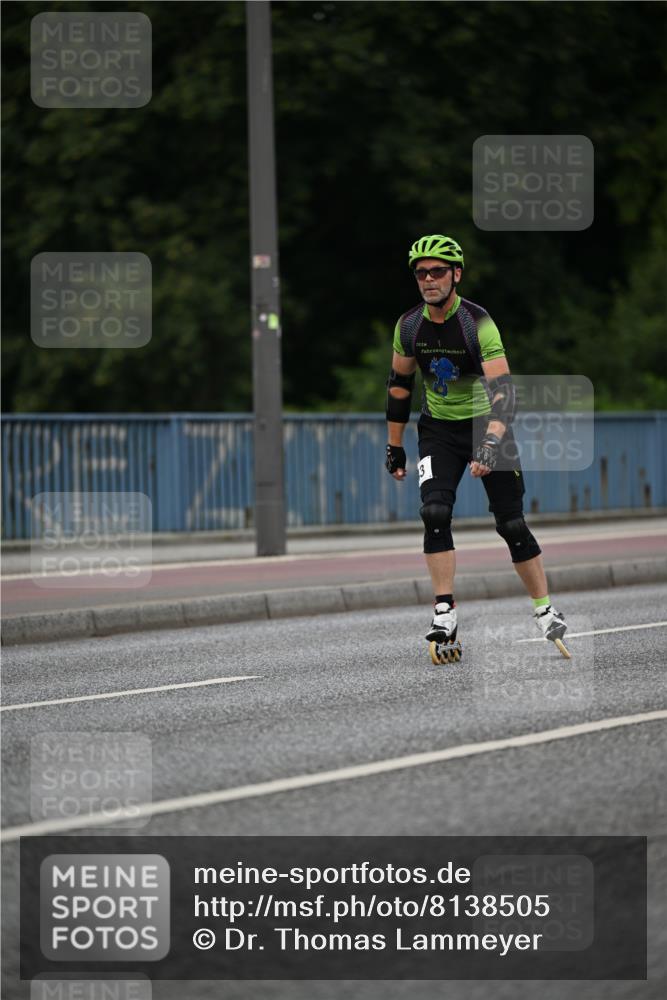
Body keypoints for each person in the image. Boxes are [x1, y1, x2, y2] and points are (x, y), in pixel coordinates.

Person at [385, 234, 568, 655]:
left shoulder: (477, 323)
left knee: (511, 523)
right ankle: (444, 611)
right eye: (421, 273)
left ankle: (544, 610)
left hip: (488, 425)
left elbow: (505, 393)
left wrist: (489, 444)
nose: (428, 280)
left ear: (456, 275)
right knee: (434, 511)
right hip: (438, 430)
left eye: (437, 272)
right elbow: (399, 386)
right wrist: (394, 446)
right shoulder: (409, 326)